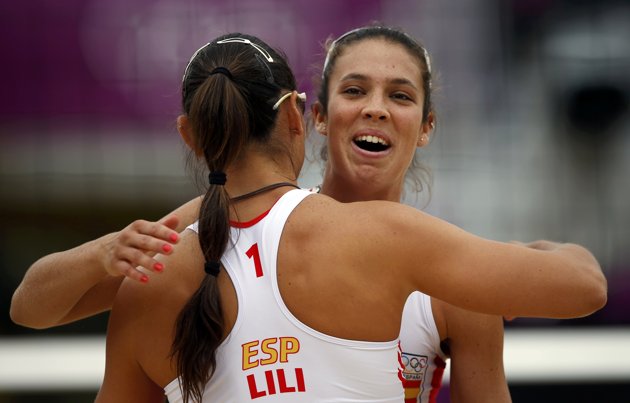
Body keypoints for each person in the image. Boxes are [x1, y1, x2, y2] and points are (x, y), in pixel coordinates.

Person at [11, 30, 607, 402]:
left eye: (400, 95)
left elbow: (32, 307)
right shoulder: (202, 233)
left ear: (427, 128)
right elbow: (584, 286)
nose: (375, 108)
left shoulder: (456, 273)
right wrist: (532, 257)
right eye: (354, 91)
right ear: (310, 117)